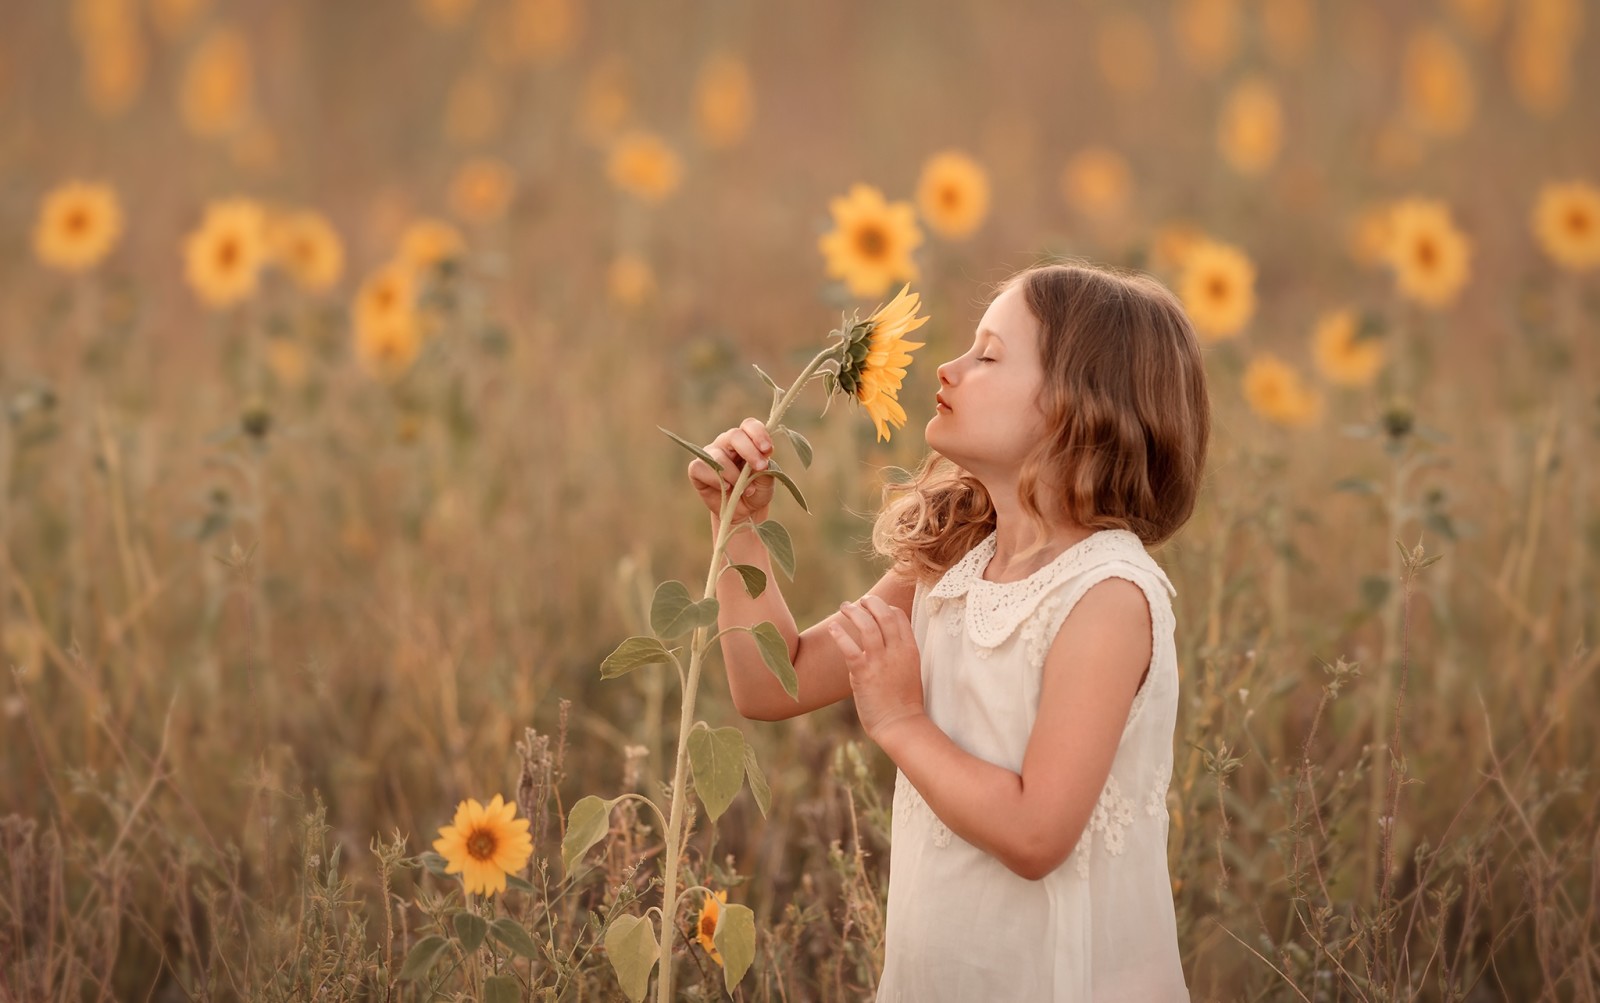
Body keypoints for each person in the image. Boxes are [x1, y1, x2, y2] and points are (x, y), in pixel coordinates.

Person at [686, 261, 1208, 1001]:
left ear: (1076, 409)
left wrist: (900, 719)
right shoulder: (953, 560)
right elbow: (776, 679)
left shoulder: (1106, 595)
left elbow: (1037, 834)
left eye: (988, 355)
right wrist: (738, 525)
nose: (949, 367)